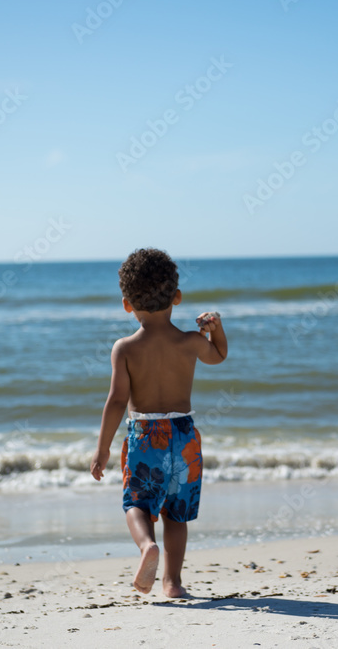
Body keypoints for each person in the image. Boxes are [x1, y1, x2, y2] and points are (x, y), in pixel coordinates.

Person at [90, 248, 228, 597]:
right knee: (176, 514)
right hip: (183, 437)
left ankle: (146, 547)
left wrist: (102, 448)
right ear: (177, 298)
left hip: (144, 436)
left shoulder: (124, 348)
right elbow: (219, 356)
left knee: (136, 504)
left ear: (126, 304)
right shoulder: (190, 342)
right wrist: (217, 329)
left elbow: (117, 401)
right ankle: (173, 583)